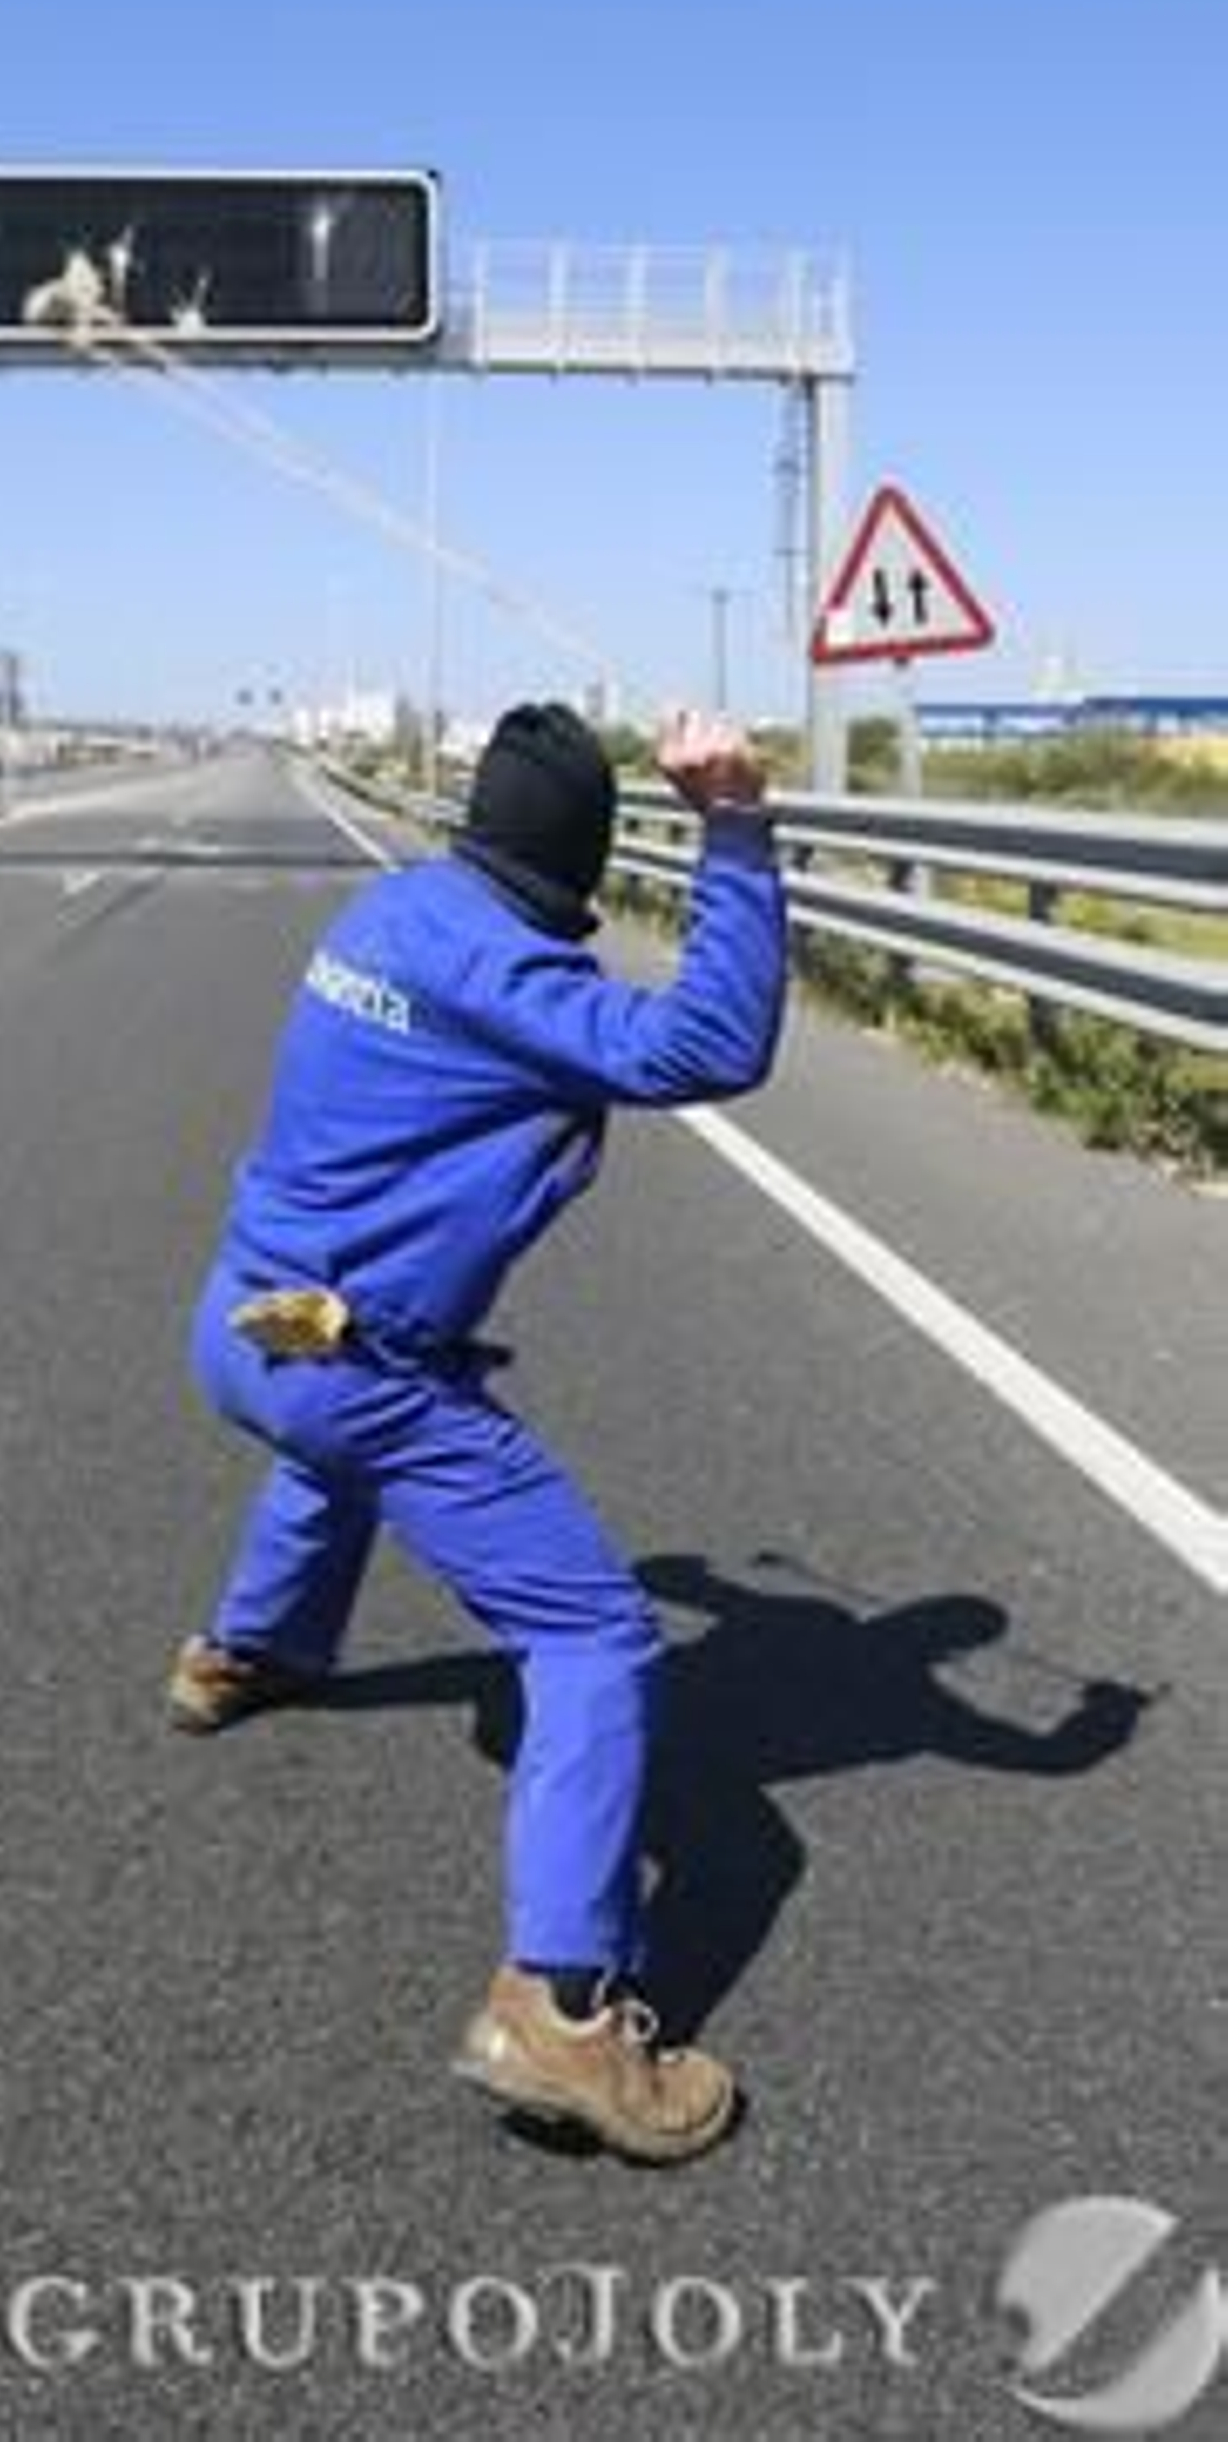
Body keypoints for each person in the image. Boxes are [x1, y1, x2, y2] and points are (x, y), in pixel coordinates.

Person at [170, 700, 788, 2163]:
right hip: (358, 1360)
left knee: (337, 1453)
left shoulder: (395, 908)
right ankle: (561, 2008)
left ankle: (241, 1651)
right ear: (579, 860)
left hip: (248, 1321)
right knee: (594, 1638)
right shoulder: (510, 970)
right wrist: (739, 832)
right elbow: (701, 1042)